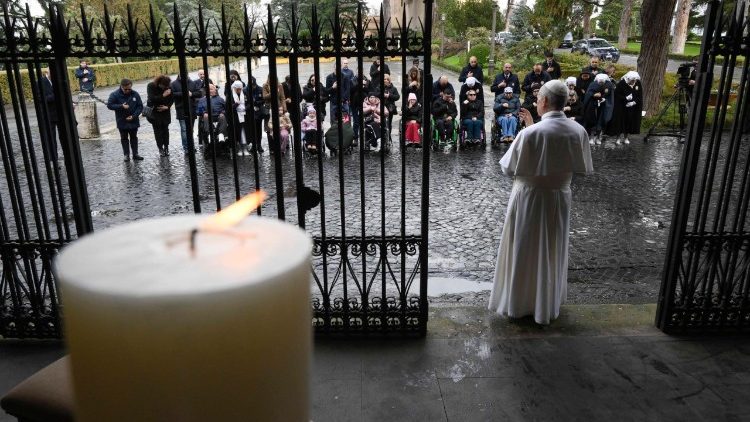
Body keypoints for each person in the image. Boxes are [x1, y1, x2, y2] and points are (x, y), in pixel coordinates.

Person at [488, 80, 594, 325]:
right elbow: (580, 166)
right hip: (559, 197)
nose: (536, 102)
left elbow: (508, 168)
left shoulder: (530, 133)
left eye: (538, 99)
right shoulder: (578, 131)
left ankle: (520, 303)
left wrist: (529, 130)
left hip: (529, 198)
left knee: (525, 248)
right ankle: (546, 302)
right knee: (551, 247)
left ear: (544, 101)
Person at [106, 78, 143, 162]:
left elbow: (140, 106)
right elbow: (109, 105)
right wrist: (121, 106)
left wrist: (134, 116)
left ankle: (135, 154)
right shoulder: (115, 94)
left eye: (129, 89)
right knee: (124, 138)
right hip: (122, 120)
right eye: (125, 89)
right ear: (121, 87)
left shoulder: (135, 94)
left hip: (133, 120)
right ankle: (126, 155)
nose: (127, 91)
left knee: (134, 137)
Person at [605, 71, 643, 145]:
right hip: (621, 107)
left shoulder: (638, 83)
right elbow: (617, 95)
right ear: (628, 79)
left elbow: (639, 95)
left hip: (632, 107)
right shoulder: (622, 83)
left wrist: (633, 102)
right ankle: (618, 138)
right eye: (632, 81)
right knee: (620, 122)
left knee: (629, 122)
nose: (633, 82)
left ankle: (626, 137)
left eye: (634, 80)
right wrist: (625, 98)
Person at [146, 75, 174, 156]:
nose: (165, 88)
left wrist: (167, 107)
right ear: (159, 83)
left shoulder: (168, 87)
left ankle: (166, 147)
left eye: (166, 86)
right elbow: (152, 98)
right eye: (163, 86)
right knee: (157, 131)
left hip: (165, 112)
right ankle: (160, 148)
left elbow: (172, 99)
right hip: (155, 112)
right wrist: (163, 95)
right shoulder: (151, 86)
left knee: (166, 130)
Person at [583, 73, 614, 145]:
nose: (601, 83)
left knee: (601, 121)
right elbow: (588, 93)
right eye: (600, 82)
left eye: (602, 82)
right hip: (593, 105)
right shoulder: (593, 84)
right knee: (593, 120)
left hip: (604, 106)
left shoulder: (609, 85)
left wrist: (604, 99)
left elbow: (610, 95)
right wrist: (593, 95)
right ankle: (591, 137)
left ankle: (598, 137)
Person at [171, 74, 198, 153]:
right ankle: (186, 147)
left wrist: (192, 94)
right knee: (184, 129)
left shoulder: (192, 83)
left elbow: (198, 93)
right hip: (181, 110)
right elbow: (173, 94)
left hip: (191, 109)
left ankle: (191, 146)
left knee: (190, 129)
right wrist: (184, 93)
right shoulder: (174, 84)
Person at [40, 69, 59, 161]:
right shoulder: (40, 82)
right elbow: (40, 98)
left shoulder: (59, 80)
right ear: (48, 73)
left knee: (65, 137)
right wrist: (55, 96)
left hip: (61, 114)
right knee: (51, 138)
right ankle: (53, 158)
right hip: (49, 115)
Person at [262, 75, 287, 141]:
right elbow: (264, 97)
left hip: (278, 108)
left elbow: (282, 98)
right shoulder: (265, 85)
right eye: (270, 78)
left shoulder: (280, 85)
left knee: (279, 125)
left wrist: (284, 108)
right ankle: (271, 147)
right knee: (268, 127)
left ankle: (280, 144)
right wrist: (272, 92)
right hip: (268, 108)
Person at [246, 76, 265, 153]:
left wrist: (256, 103)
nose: (253, 87)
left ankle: (259, 145)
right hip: (250, 113)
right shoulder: (245, 90)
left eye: (254, 86)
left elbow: (263, 100)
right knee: (252, 130)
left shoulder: (260, 89)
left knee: (258, 130)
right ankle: (253, 145)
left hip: (258, 112)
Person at [229, 80, 249, 154]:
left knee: (245, 132)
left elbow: (249, 103)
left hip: (244, 115)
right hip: (236, 116)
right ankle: (240, 149)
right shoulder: (230, 95)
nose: (239, 91)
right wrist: (236, 105)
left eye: (240, 89)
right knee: (238, 132)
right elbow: (228, 107)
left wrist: (245, 108)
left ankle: (245, 148)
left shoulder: (245, 93)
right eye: (238, 89)